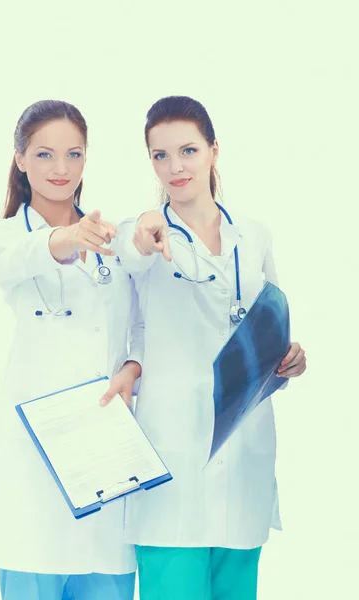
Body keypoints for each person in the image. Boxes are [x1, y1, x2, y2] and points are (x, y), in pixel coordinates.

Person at [114, 96, 307, 600]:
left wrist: (290, 358)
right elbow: (127, 259)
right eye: (160, 155)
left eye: (188, 150)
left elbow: (271, 323)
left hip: (245, 445)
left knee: (237, 587)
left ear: (213, 151)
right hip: (174, 445)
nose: (175, 167)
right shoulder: (145, 235)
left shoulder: (255, 235)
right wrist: (140, 233)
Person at [0, 100, 142, 600]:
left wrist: (134, 366)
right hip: (31, 463)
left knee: (106, 582)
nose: (61, 169)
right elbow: (20, 258)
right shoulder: (2, 237)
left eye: (74, 154)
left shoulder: (114, 240)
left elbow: (141, 329)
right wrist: (64, 237)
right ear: (20, 159)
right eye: (45, 155)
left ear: (86, 160)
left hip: (106, 450)